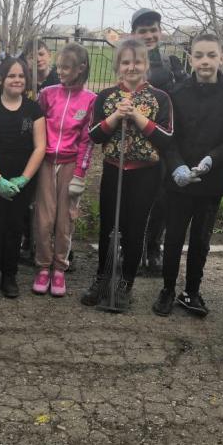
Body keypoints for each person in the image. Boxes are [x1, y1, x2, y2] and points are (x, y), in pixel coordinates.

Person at [152, 33, 223, 317]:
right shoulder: (178, 93)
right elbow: (168, 137)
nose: (205, 61)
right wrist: (176, 166)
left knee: (200, 240)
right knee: (173, 238)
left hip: (211, 181)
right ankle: (167, 289)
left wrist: (213, 158)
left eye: (211, 55)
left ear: (222, 58)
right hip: (180, 181)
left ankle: (192, 291)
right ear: (191, 59)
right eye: (198, 56)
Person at [82, 38, 173, 312]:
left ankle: (125, 284)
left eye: (137, 62)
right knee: (109, 226)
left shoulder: (160, 98)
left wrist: (136, 117)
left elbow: (166, 137)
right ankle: (102, 278)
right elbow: (94, 135)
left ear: (146, 65)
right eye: (125, 62)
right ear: (118, 66)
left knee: (135, 229)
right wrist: (115, 117)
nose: (131, 67)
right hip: (114, 169)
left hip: (145, 174)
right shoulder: (106, 96)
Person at [0, 57, 46, 298]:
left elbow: (40, 147)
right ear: (0, 79)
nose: (17, 80)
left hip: (21, 179)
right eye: (11, 76)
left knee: (15, 226)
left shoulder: (33, 109)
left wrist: (24, 178)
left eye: (21, 76)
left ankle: (9, 275)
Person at [32, 43, 96, 297]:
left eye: (66, 68)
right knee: (44, 218)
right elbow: (36, 128)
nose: (60, 71)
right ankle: (43, 266)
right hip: (46, 163)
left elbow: (87, 141)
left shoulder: (90, 100)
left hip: (70, 165)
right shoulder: (47, 94)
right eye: (58, 67)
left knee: (65, 220)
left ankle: (60, 268)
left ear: (80, 68)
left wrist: (80, 174)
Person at [131, 8, 188, 276]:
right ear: (133, 34)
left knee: (163, 199)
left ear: (160, 32)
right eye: (142, 31)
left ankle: (154, 246)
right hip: (135, 141)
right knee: (135, 198)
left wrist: (182, 83)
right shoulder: (129, 62)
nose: (149, 35)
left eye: (153, 30)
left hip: (165, 143)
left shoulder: (171, 64)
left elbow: (182, 103)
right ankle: (130, 247)